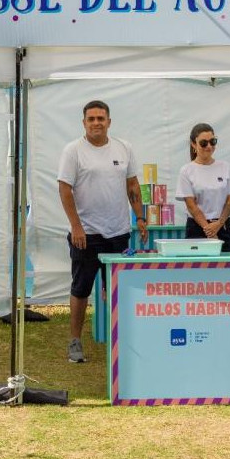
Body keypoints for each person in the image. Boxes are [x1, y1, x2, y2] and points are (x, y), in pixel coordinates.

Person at [58, 100, 148, 363]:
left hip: (119, 233)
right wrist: (76, 226)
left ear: (109, 121)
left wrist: (140, 216)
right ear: (84, 123)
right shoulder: (73, 151)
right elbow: (65, 189)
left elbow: (132, 184)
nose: (96, 122)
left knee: (117, 290)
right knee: (81, 289)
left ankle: (122, 339)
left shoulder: (124, 148)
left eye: (101, 118)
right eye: (91, 119)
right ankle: (75, 341)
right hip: (86, 235)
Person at [176, 123, 230, 252]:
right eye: (204, 143)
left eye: (213, 141)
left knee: (227, 269)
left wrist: (219, 224)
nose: (209, 146)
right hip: (197, 228)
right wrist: (209, 230)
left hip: (223, 226)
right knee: (198, 270)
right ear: (193, 144)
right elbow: (191, 206)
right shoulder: (186, 171)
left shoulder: (225, 167)